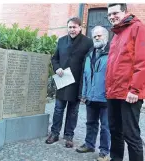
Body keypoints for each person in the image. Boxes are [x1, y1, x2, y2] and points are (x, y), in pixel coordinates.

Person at [106, 3, 145, 161]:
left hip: (129, 93)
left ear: (125, 12)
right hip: (113, 92)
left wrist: (135, 90)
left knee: (131, 135)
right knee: (114, 131)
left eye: (115, 13)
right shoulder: (117, 34)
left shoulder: (139, 28)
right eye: (109, 15)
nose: (112, 17)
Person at [46, 17, 93, 148]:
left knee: (73, 111)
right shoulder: (61, 41)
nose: (72, 30)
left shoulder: (88, 42)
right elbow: (55, 59)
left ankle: (69, 136)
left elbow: (89, 63)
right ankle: (54, 133)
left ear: (80, 28)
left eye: (74, 27)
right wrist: (57, 68)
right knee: (58, 109)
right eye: (70, 27)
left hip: (77, 82)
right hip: (63, 80)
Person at [75, 26, 110, 161]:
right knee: (91, 123)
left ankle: (104, 151)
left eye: (99, 36)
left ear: (106, 37)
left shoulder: (112, 53)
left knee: (106, 126)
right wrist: (83, 94)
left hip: (105, 97)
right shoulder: (89, 54)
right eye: (94, 36)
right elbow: (85, 75)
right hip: (90, 96)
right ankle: (89, 144)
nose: (96, 38)